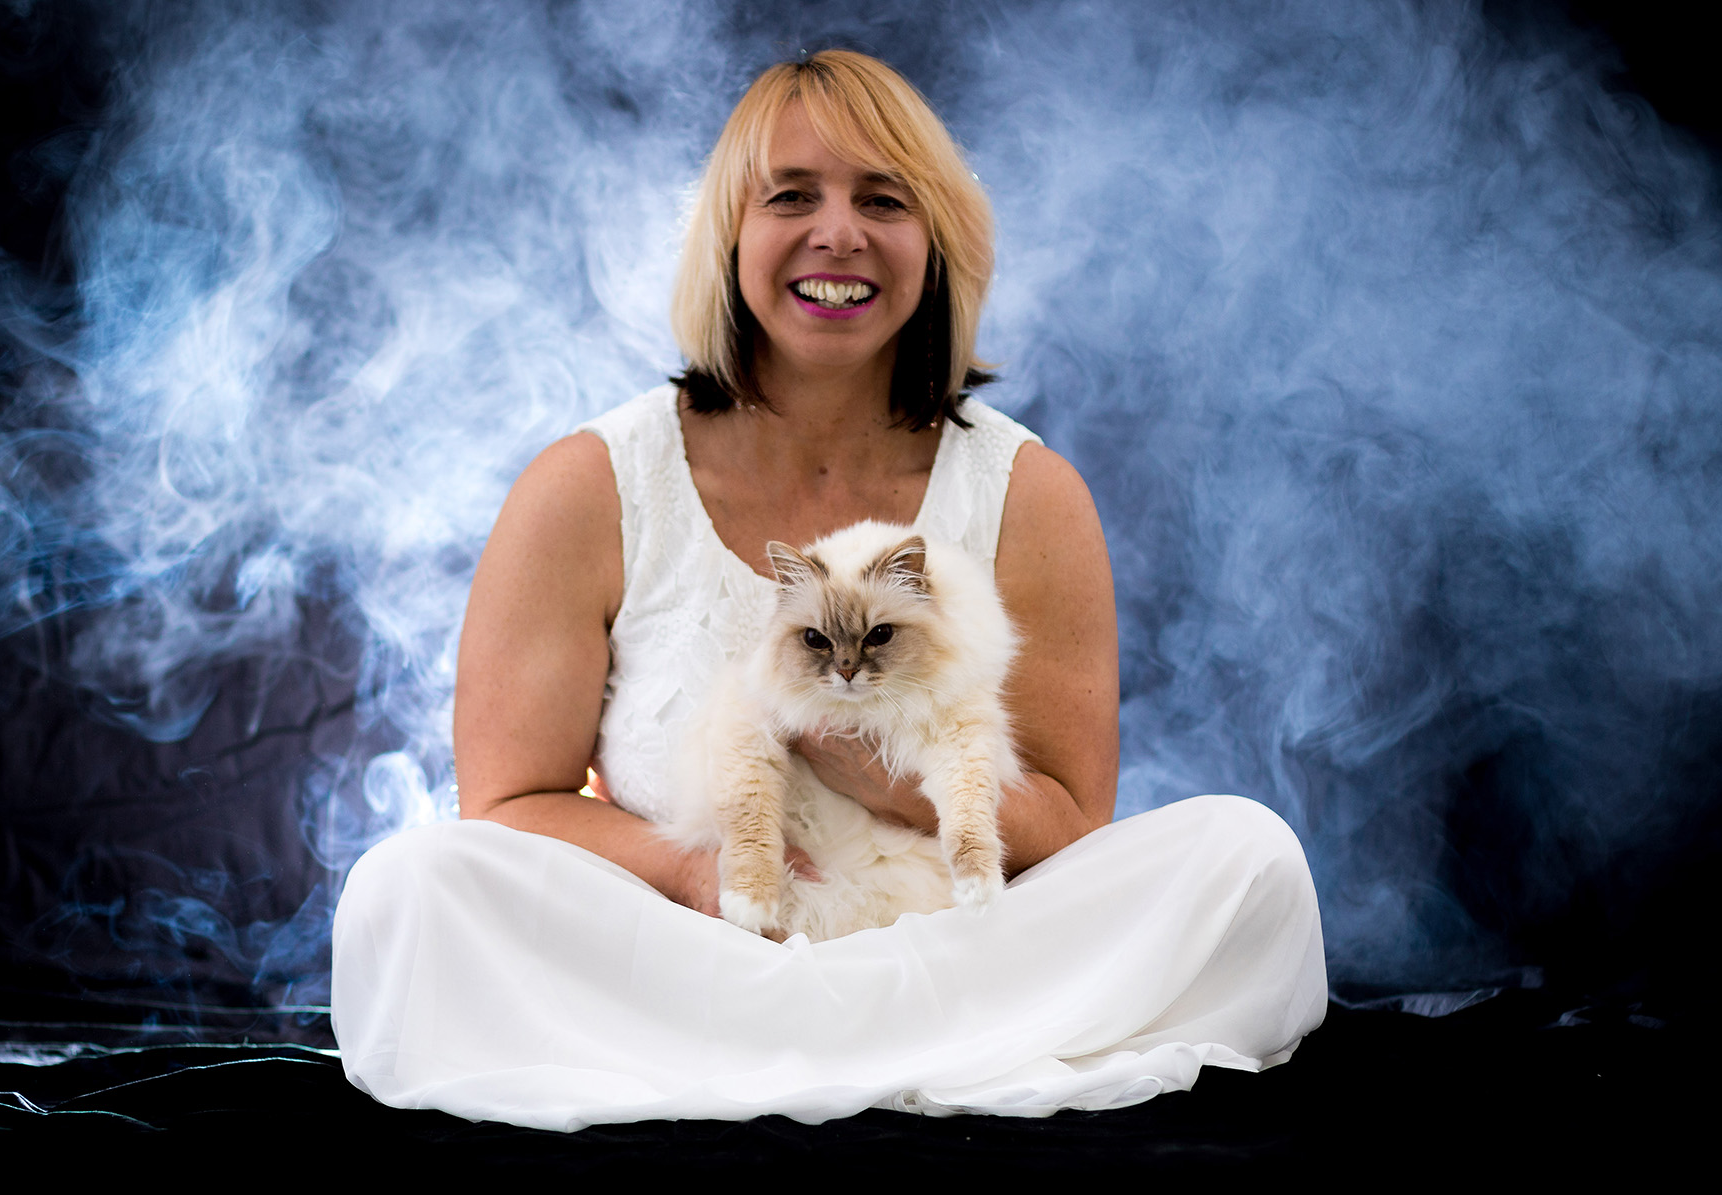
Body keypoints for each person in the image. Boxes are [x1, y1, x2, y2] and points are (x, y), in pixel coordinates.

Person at [331, 50, 1326, 1132]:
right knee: (410, 889)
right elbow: (507, 809)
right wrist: (696, 872)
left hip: (955, 961)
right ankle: (897, 1060)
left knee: (1248, 859)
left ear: (937, 242)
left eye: (883, 200)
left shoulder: (1031, 493)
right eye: (791, 196)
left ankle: (786, 1061)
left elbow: (1075, 825)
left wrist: (889, 776)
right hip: (691, 962)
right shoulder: (588, 484)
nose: (838, 234)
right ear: (730, 237)